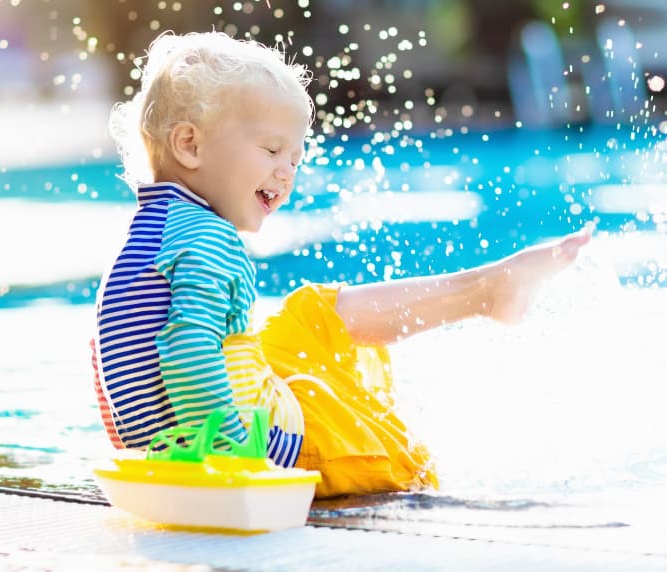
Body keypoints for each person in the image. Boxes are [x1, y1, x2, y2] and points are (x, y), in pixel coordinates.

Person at [92, 31, 591, 498]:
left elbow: (112, 354)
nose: (286, 173)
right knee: (381, 443)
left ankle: (487, 290)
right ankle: (484, 299)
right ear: (190, 145)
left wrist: (139, 448)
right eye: (271, 150)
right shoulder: (209, 240)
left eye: (295, 157)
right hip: (264, 448)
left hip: (203, 426)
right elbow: (187, 350)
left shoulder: (147, 236)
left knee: (312, 313)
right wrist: (235, 461)